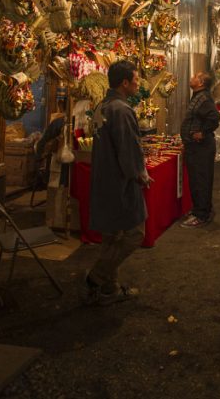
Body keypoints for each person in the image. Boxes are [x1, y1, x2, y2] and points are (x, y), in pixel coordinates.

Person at [82, 60, 150, 305]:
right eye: (135, 79)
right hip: (120, 183)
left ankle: (109, 289)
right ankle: (97, 277)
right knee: (135, 234)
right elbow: (128, 149)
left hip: (103, 179)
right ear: (124, 83)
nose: (137, 83)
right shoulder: (121, 110)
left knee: (111, 237)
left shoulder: (103, 105)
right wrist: (140, 174)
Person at [181, 72, 220, 228]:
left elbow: (214, 117)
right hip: (196, 147)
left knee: (200, 181)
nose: (191, 77)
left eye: (195, 76)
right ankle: (201, 210)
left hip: (201, 148)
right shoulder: (199, 96)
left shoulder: (203, 98)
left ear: (201, 83)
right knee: (198, 180)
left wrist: (202, 133)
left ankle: (201, 215)